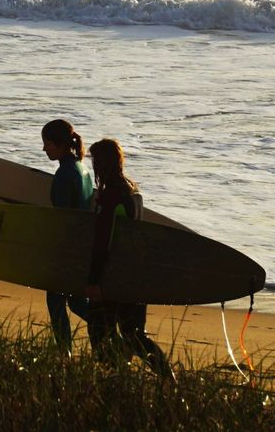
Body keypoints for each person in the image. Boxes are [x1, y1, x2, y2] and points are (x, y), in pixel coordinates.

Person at [86, 138, 172, 378]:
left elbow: (103, 242)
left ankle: (111, 374)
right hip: (135, 274)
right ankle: (167, 376)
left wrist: (94, 280)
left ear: (101, 164)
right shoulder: (132, 191)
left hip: (114, 276)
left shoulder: (110, 197)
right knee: (133, 334)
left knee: (99, 329)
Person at [40, 118, 93, 353]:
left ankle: (64, 353)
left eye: (47, 143)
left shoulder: (64, 174)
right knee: (78, 302)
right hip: (83, 247)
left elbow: (63, 219)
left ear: (60, 143)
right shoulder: (83, 169)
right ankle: (111, 332)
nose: (44, 149)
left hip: (69, 249)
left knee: (56, 300)